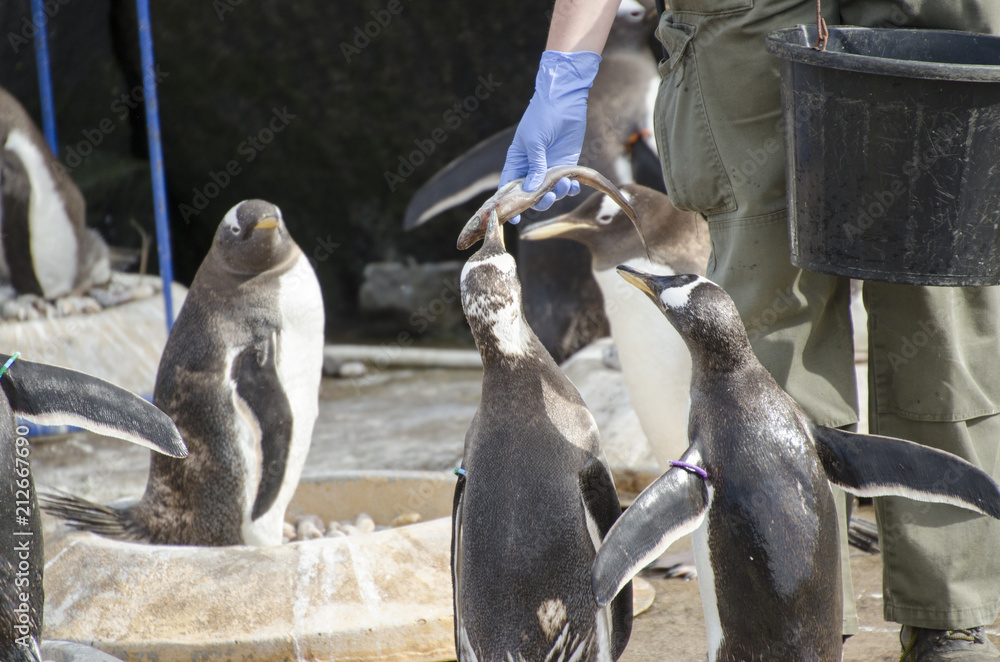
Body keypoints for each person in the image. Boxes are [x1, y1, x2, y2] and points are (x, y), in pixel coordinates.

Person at [499, 1, 1000, 660]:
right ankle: (788, 627)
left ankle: (948, 617)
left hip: (935, 11)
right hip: (747, 20)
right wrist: (564, 73)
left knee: (941, 293)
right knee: (761, 349)